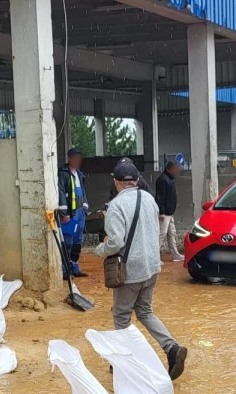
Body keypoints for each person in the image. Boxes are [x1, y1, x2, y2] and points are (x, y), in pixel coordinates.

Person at [96, 161, 188, 380]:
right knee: (145, 312)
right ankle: (172, 348)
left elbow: (116, 242)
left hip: (130, 270)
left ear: (116, 182)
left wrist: (100, 249)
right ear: (136, 180)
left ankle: (124, 363)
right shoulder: (149, 199)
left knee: (121, 316)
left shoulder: (116, 206)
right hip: (152, 267)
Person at [57, 149, 89, 278]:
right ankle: (65, 270)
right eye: (75, 158)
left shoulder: (79, 174)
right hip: (70, 213)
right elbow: (61, 192)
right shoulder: (63, 174)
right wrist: (64, 212)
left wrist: (85, 208)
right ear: (68, 158)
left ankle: (75, 267)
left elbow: (83, 192)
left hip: (80, 212)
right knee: (68, 242)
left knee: (77, 242)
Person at [154, 162, 184, 262]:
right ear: (170, 169)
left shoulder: (169, 179)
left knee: (172, 234)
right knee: (161, 234)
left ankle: (175, 255)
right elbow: (160, 197)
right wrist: (161, 212)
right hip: (164, 213)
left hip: (169, 213)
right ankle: (154, 258)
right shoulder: (163, 180)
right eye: (175, 169)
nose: (177, 171)